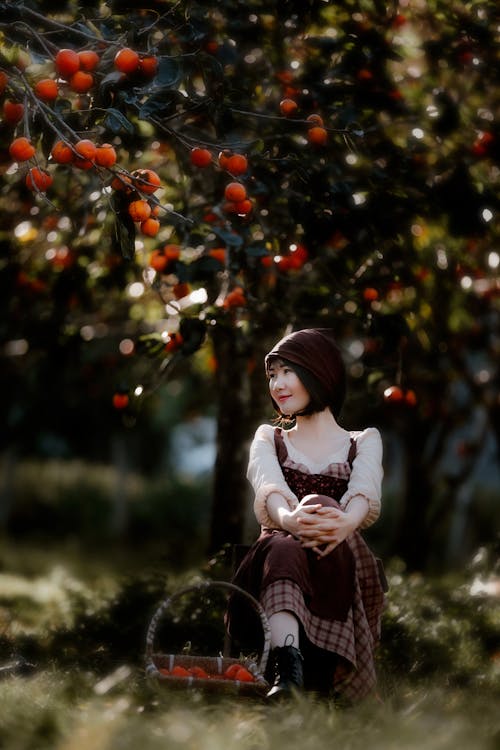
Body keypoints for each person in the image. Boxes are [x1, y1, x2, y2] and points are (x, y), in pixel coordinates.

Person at [230, 328, 386, 701]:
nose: (277, 384)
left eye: (288, 371)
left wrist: (344, 522)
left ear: (319, 372)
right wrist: (289, 521)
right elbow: (269, 489)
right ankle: (288, 667)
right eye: (272, 375)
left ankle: (316, 668)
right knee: (285, 545)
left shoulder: (363, 441)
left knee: (328, 505)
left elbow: (364, 493)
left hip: (339, 561)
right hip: (277, 561)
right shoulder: (270, 439)